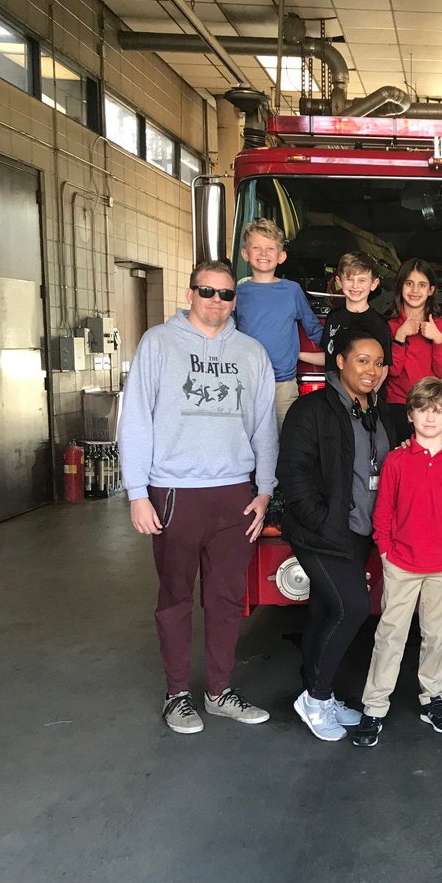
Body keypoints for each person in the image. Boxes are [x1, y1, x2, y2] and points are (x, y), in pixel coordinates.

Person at [120, 260, 276, 735]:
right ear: (190, 293)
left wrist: (265, 489)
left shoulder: (251, 353)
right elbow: (136, 419)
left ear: (235, 301)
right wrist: (136, 493)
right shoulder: (159, 344)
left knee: (227, 600)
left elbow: (264, 424)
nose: (216, 300)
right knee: (174, 598)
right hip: (173, 493)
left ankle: (218, 692)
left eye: (226, 294)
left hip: (233, 495)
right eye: (206, 291)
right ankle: (176, 696)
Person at [277, 330, 394, 742]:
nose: (372, 370)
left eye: (379, 363)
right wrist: (324, 520)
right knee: (352, 607)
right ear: (340, 362)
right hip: (321, 533)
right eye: (362, 360)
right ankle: (315, 698)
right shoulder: (311, 410)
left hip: (360, 530)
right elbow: (293, 473)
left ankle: (318, 694)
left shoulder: (376, 411)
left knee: (326, 611)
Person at [353, 378, 442, 748]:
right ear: (410, 415)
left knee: (436, 637)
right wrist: (387, 552)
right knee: (390, 636)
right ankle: (374, 707)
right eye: (422, 409)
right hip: (402, 564)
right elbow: (384, 510)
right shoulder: (396, 460)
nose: (430, 417)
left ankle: (432, 699)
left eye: (438, 411)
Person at [232, 218, 324, 430]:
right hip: (246, 382)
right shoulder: (238, 293)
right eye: (256, 247)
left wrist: (340, 349)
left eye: (270, 248)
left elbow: (313, 328)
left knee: (285, 441)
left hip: (282, 384)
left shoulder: (292, 291)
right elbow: (228, 334)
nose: (263, 253)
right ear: (245, 254)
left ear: (281, 256)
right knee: (246, 442)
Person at [387, 259, 442, 443]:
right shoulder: (390, 325)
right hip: (399, 404)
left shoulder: (441, 324)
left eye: (422, 285)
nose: (415, 290)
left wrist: (438, 339)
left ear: (431, 290)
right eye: (409, 283)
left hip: (430, 404)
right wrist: (400, 336)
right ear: (400, 286)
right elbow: (393, 371)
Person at [321, 251, 393, 371]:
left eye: (362, 280)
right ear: (339, 282)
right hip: (334, 389)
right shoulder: (333, 318)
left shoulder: (379, 324)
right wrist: (297, 355)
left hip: (366, 389)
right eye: (349, 279)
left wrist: (371, 390)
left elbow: (383, 367)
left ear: (374, 284)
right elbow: (329, 357)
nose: (355, 286)